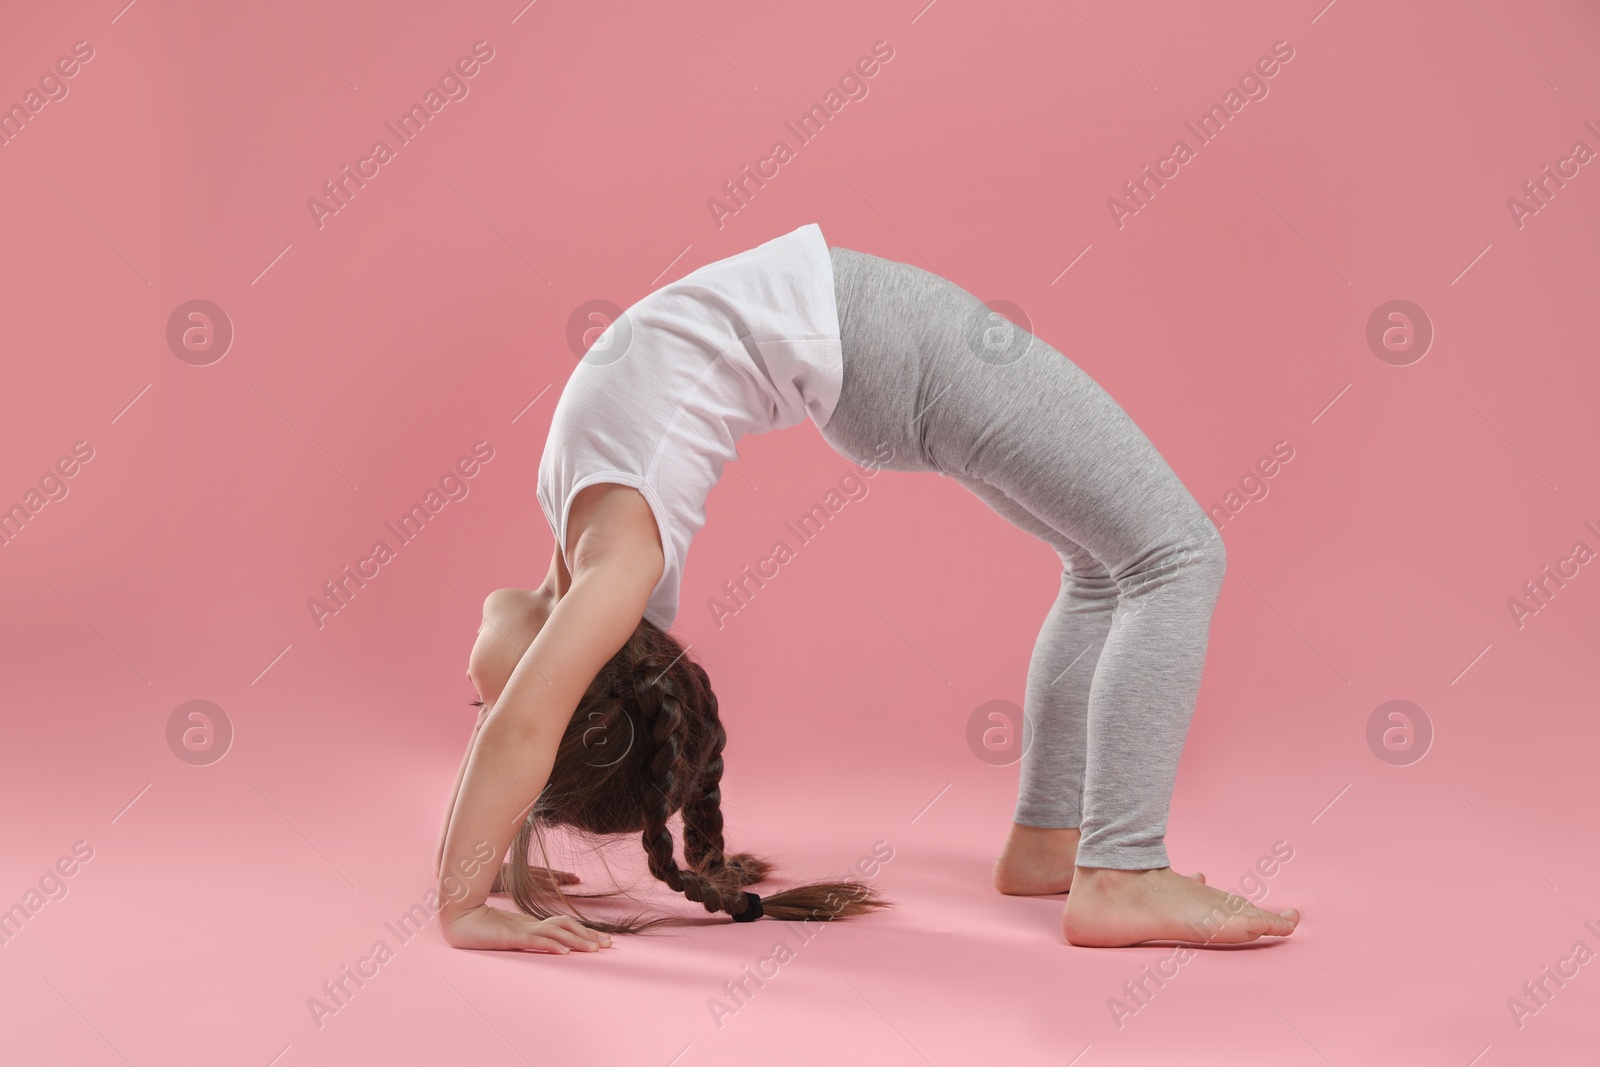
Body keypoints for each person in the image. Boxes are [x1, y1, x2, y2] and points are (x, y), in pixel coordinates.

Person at [434, 222, 1300, 954]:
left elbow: (530, 726)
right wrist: (463, 904)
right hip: (896, 350)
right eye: (500, 701)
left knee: (1102, 565)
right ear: (579, 676)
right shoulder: (618, 566)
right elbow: (526, 727)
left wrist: (495, 860)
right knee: (1176, 555)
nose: (480, 705)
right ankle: (1124, 870)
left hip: (876, 353)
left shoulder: (579, 526)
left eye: (481, 710)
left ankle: (1049, 840)